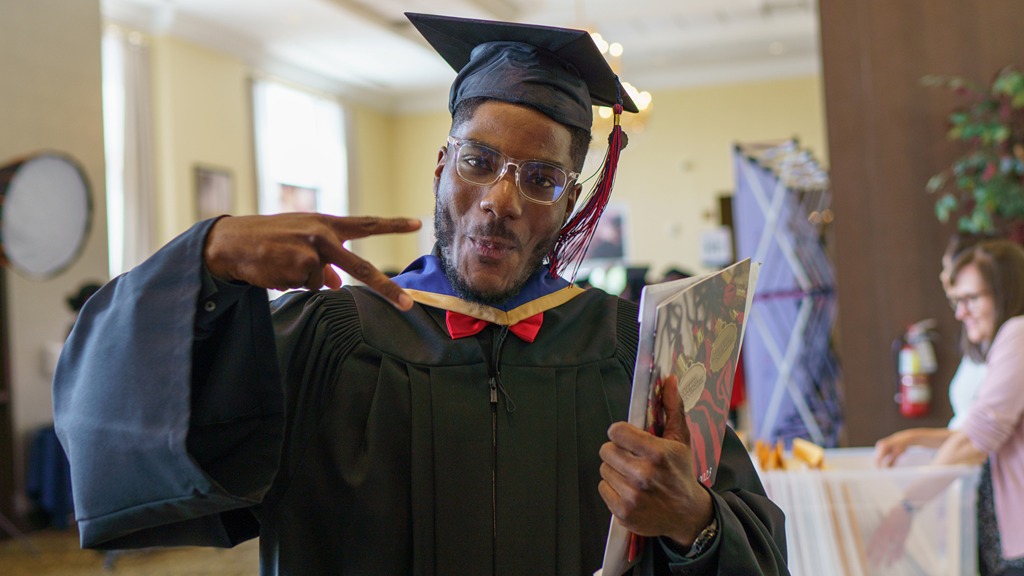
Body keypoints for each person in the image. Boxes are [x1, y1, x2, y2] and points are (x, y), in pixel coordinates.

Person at [53, 13, 787, 575]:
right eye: (477, 160)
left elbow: (756, 541)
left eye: (540, 179)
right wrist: (206, 263)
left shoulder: (630, 351)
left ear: (567, 205)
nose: (500, 199)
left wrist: (696, 521)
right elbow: (112, 428)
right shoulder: (328, 336)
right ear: (441, 167)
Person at [869, 239, 1024, 575]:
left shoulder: (1018, 332)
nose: (959, 312)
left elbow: (976, 440)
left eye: (970, 299)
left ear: (1006, 291)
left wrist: (907, 506)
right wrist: (913, 438)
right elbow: (975, 431)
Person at [874, 233, 990, 467]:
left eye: (948, 269)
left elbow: (977, 441)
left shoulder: (1011, 347)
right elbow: (968, 434)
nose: (943, 277)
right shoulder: (978, 343)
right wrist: (911, 440)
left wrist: (910, 502)